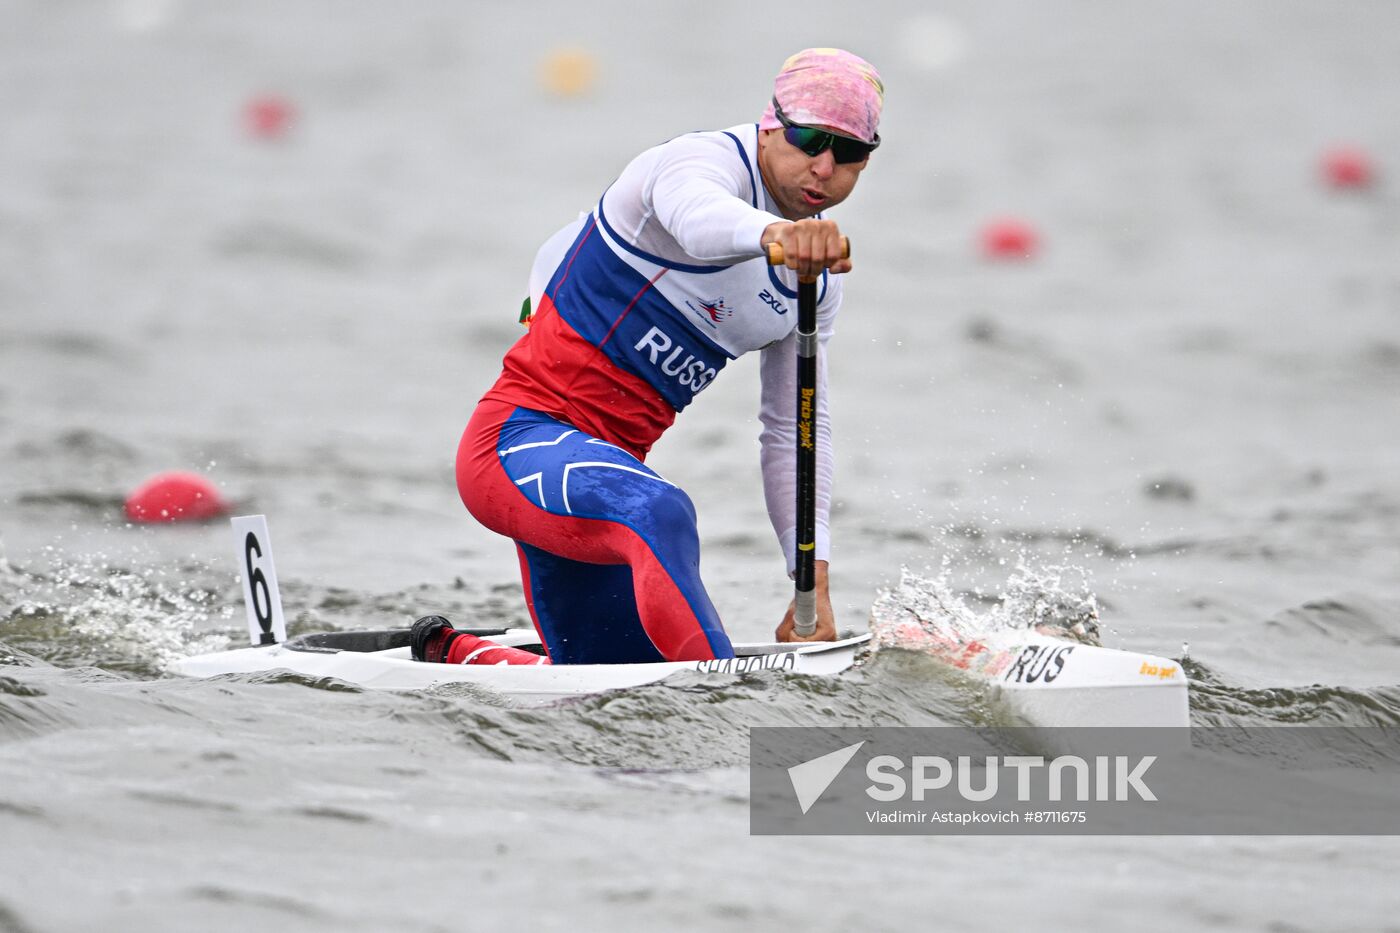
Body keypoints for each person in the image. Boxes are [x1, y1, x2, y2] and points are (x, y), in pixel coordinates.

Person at [412, 48, 884, 667]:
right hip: (515, 444)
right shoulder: (694, 164)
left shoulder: (818, 280)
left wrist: (811, 576)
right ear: (770, 126)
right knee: (665, 510)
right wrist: (776, 237)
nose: (823, 167)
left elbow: (793, 429)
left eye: (848, 152)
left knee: (609, 684)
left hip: (603, 484)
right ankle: (733, 711)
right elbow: (697, 221)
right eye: (808, 139)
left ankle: (451, 653)